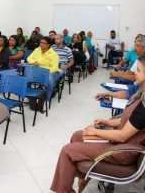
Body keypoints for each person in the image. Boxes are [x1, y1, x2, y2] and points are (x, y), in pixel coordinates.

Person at [51, 54, 145, 193]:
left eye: (138, 70)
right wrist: (107, 122)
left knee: (67, 151)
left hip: (123, 150)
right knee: (78, 135)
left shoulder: (144, 106)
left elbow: (122, 136)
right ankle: (83, 178)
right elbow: (131, 121)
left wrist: (95, 132)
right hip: (121, 143)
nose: (134, 73)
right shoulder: (140, 93)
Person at [27, 36, 61, 101]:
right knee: (27, 78)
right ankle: (30, 95)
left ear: (48, 45)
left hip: (51, 72)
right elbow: (29, 58)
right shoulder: (37, 50)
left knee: (49, 80)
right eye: (41, 42)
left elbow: (54, 68)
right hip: (37, 70)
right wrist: (34, 62)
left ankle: (48, 98)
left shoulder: (53, 54)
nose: (41, 44)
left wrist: (43, 71)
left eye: (43, 43)